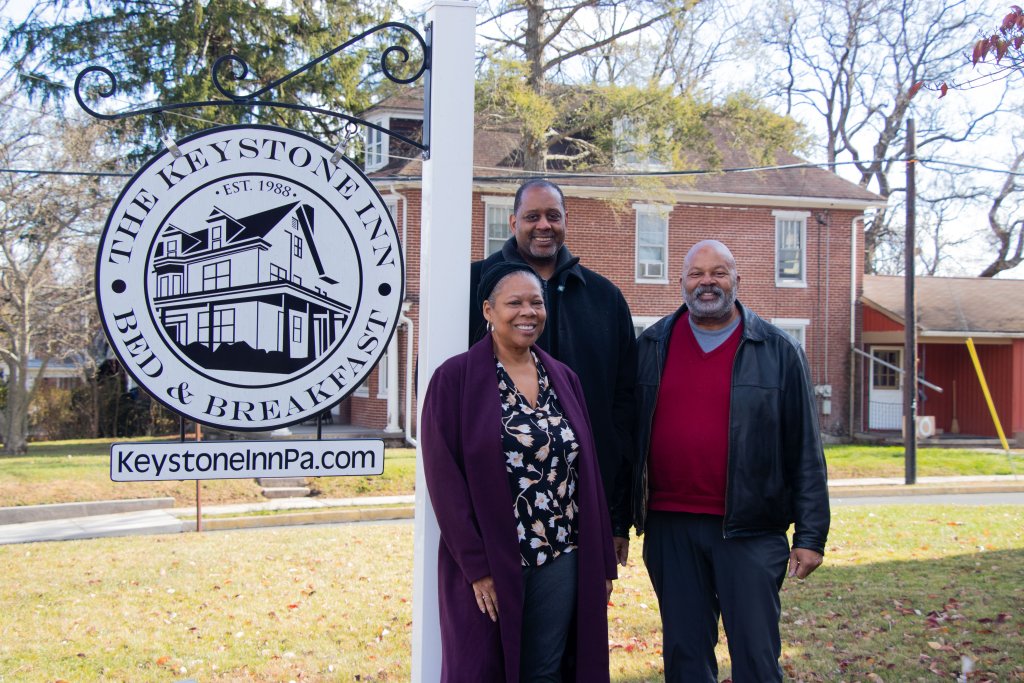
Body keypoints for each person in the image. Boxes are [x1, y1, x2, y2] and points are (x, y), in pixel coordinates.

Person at [632, 239, 830, 682]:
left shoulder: (777, 350)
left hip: (751, 529)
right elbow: (628, 439)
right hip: (671, 526)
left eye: (719, 272)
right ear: (681, 281)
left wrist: (812, 534)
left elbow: (805, 447)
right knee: (685, 657)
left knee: (757, 657)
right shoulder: (652, 345)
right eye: (696, 273)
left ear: (737, 279)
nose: (707, 282)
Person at [423, 261, 619, 682]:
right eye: (514, 303)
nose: (527, 312)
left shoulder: (563, 378)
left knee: (545, 670)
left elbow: (588, 475)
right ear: (489, 311)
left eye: (536, 302)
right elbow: (444, 482)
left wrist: (602, 561)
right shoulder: (454, 380)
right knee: (484, 668)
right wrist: (476, 568)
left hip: (560, 556)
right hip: (492, 560)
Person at [469, 179, 636, 564]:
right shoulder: (473, 286)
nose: (543, 225)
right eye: (532, 216)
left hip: (585, 504)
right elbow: (440, 398)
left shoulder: (605, 300)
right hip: (496, 504)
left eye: (553, 216)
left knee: (577, 619)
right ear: (513, 223)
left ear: (566, 221)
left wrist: (616, 519)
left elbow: (624, 415)